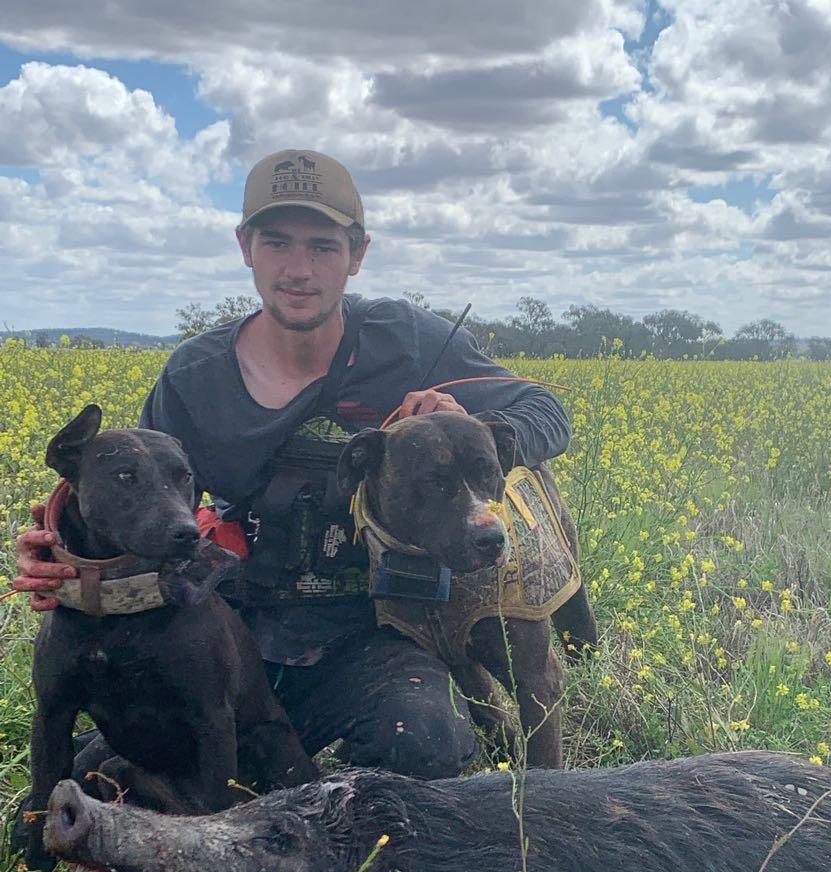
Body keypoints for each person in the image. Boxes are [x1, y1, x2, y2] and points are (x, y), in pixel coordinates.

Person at [13, 149, 571, 782]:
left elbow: (546, 411)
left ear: (357, 254)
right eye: (277, 242)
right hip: (231, 626)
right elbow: (142, 498)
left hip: (378, 630)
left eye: (323, 247)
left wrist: (471, 426)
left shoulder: (406, 339)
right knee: (108, 780)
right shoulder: (195, 376)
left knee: (422, 742)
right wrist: (62, 545)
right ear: (245, 247)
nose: (299, 269)